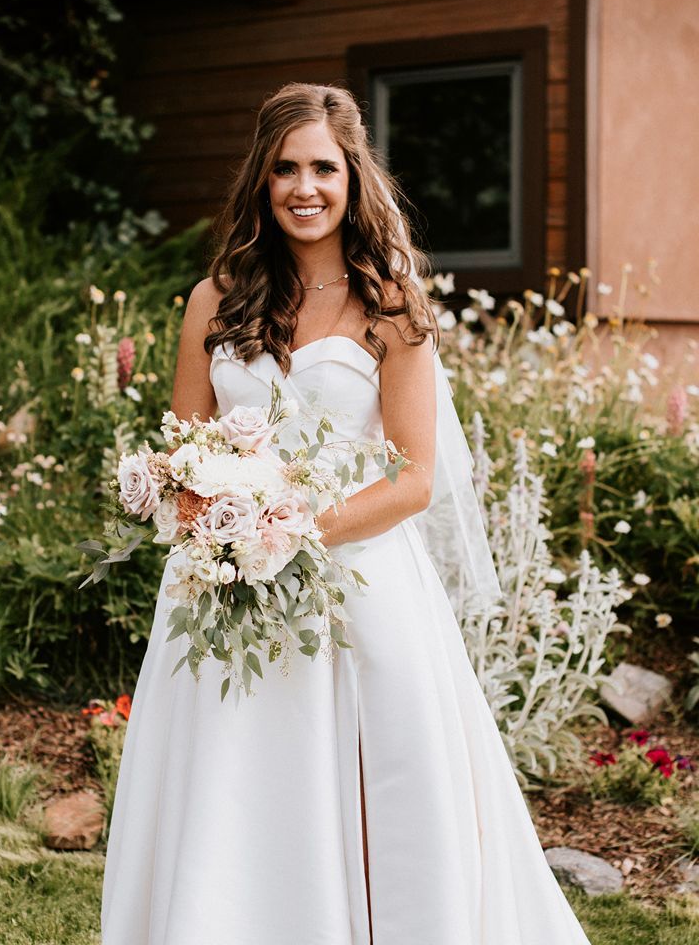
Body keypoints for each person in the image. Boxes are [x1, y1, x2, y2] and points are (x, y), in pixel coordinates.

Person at [101, 82, 592, 944]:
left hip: (358, 584)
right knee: (233, 792)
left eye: (323, 167)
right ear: (261, 178)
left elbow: (414, 479)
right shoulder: (213, 301)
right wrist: (207, 517)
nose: (304, 187)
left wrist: (289, 535)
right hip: (223, 592)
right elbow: (184, 444)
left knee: (382, 798)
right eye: (285, 168)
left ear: (352, 174)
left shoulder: (393, 306)